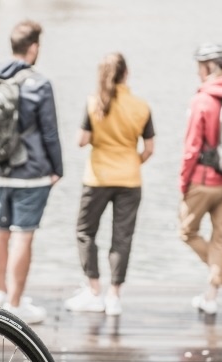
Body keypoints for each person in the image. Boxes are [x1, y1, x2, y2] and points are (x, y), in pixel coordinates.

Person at [0, 20, 63, 324]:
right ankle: (15, 304)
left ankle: (1, 293)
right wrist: (58, 169)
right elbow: (49, 132)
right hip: (31, 172)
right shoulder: (39, 83)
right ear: (34, 47)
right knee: (23, 237)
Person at [63, 53, 154, 316]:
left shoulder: (94, 103)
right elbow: (149, 149)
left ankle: (94, 289)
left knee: (85, 231)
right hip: (129, 178)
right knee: (122, 237)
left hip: (98, 178)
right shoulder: (141, 106)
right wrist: (132, 160)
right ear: (126, 73)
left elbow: (82, 140)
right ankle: (114, 296)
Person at [179, 43, 222, 315]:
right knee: (220, 237)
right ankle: (211, 295)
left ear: (208, 67)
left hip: (204, 181)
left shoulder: (202, 100)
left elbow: (191, 149)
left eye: (200, 67)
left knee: (186, 231)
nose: (198, 72)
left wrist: (183, 184)